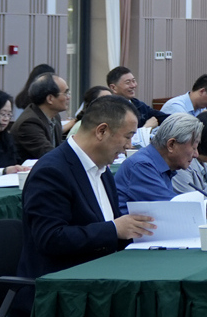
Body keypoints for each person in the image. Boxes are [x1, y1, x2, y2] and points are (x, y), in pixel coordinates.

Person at [16, 95, 154, 280]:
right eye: (128, 137)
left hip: (103, 274)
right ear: (102, 131)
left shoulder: (103, 170)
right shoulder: (51, 171)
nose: (128, 146)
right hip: (64, 284)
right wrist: (114, 229)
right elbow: (50, 238)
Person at [113, 112, 207, 217]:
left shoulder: (162, 164)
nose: (196, 154)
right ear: (171, 145)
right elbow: (175, 207)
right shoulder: (141, 166)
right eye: (193, 147)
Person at [14, 74, 71, 160]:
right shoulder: (29, 123)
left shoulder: (55, 116)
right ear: (50, 99)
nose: (68, 97)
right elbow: (49, 154)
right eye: (66, 93)